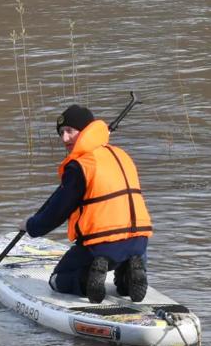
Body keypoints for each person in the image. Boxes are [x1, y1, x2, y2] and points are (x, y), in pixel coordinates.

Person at [23, 105, 152, 304]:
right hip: (139, 242)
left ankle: (86, 280)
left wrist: (31, 226)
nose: (65, 138)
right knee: (123, 281)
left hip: (101, 246)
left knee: (57, 279)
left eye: (69, 131)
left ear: (84, 131)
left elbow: (57, 212)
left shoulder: (80, 166)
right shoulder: (122, 155)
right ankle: (128, 275)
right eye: (61, 133)